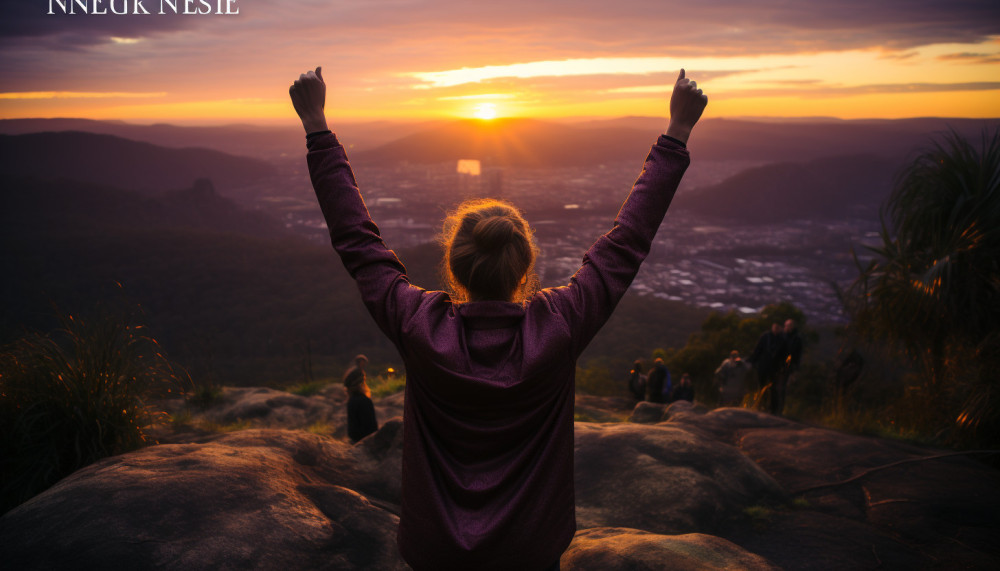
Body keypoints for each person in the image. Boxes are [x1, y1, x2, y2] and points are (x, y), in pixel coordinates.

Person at [290, 65, 707, 571]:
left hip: (436, 550)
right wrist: (676, 132)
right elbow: (626, 244)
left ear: (456, 263)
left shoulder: (418, 324)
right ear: (525, 265)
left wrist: (317, 126)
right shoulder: (560, 325)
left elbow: (357, 242)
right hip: (529, 550)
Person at [748, 322, 785, 409]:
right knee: (761, 386)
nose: (776, 329)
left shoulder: (782, 339)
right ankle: (761, 405)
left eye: (778, 327)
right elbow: (758, 349)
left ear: (780, 328)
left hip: (775, 368)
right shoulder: (765, 336)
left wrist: (783, 367)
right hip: (763, 366)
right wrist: (752, 361)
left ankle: (773, 408)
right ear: (772, 327)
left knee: (773, 388)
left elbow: (784, 354)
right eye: (775, 327)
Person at [342, 354, 378, 442]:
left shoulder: (351, 400)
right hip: (365, 442)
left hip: (354, 440)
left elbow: (352, 431)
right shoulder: (364, 401)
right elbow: (372, 429)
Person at [773, 318, 803, 416]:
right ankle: (773, 407)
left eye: (789, 326)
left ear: (792, 327)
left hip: (787, 366)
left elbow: (797, 354)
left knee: (781, 387)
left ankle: (779, 409)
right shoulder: (781, 336)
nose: (787, 328)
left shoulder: (796, 338)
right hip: (777, 365)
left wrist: (795, 368)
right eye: (786, 326)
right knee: (775, 387)